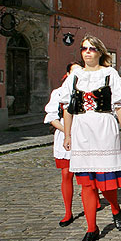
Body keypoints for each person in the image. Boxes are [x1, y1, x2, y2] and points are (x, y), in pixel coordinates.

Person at [62, 34, 121, 241]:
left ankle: (115, 207)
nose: (88, 52)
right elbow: (68, 108)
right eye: (84, 48)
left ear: (100, 52)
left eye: (92, 48)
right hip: (82, 130)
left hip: (104, 129)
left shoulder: (110, 75)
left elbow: (119, 105)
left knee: (105, 181)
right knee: (86, 183)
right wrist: (67, 134)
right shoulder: (75, 76)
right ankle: (92, 228)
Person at [43, 61, 82, 227]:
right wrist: (68, 131)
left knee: (86, 174)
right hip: (64, 137)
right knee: (66, 174)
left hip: (84, 136)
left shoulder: (88, 92)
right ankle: (68, 211)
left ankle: (92, 200)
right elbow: (52, 117)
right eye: (74, 72)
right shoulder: (58, 93)